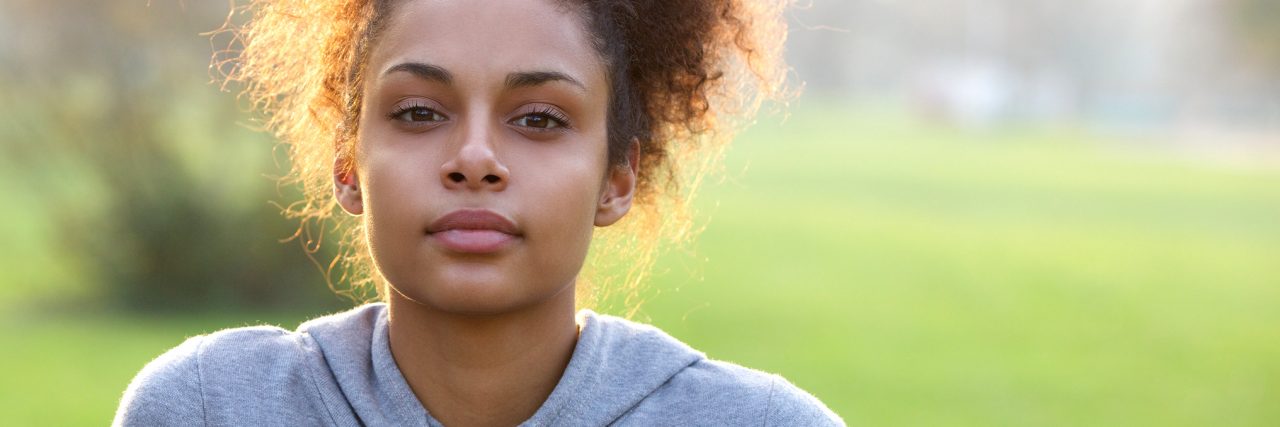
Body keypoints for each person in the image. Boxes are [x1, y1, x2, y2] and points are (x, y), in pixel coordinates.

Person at [114, 0, 843, 425]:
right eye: (421, 111)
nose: (475, 156)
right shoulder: (208, 408)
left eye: (539, 120)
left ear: (619, 176)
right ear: (348, 163)